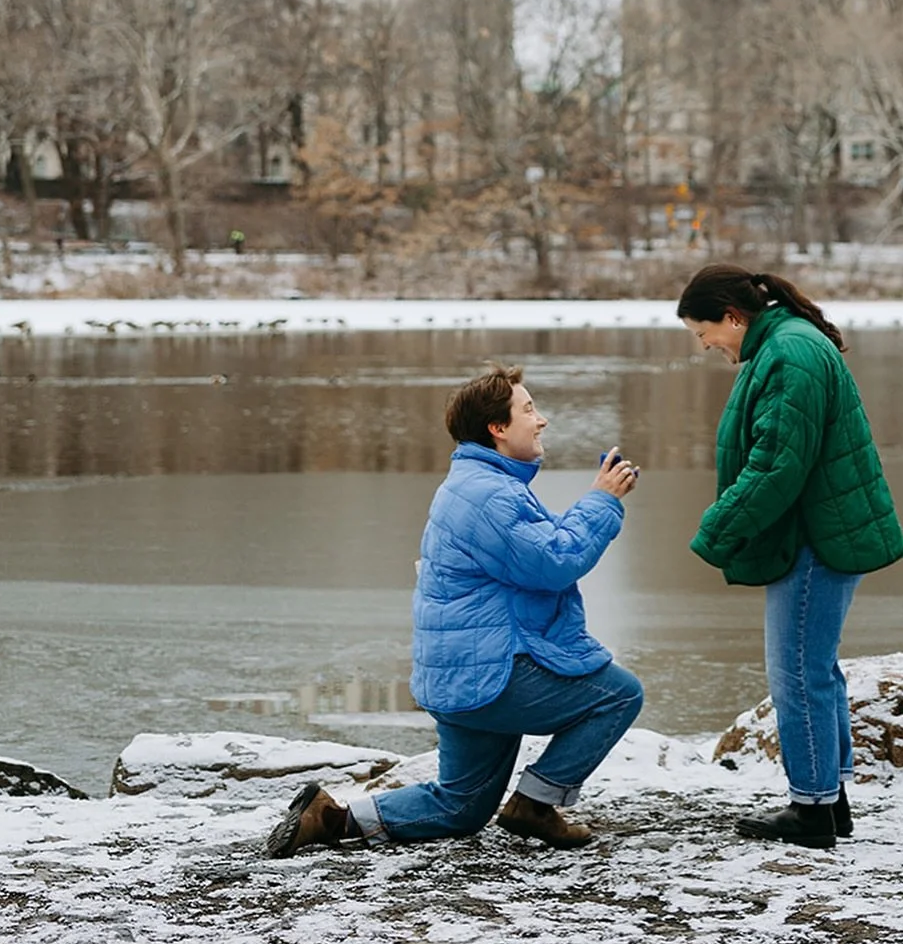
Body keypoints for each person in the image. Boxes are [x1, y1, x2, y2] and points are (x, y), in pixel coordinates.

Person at [265, 366, 643, 858]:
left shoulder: (478, 484)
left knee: (460, 807)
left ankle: (332, 818)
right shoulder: (488, 494)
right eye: (528, 410)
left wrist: (595, 499)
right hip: (492, 673)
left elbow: (538, 552)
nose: (541, 420)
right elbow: (554, 562)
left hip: (464, 674)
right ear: (498, 428)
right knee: (617, 696)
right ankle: (536, 805)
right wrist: (602, 502)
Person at [679, 264, 903, 850]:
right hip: (822, 531)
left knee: (797, 675)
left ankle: (811, 812)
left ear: (732, 317)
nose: (702, 344)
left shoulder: (788, 355)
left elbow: (778, 464)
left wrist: (716, 531)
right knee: (817, 669)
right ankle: (830, 802)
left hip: (813, 538)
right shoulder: (785, 345)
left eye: (703, 331)